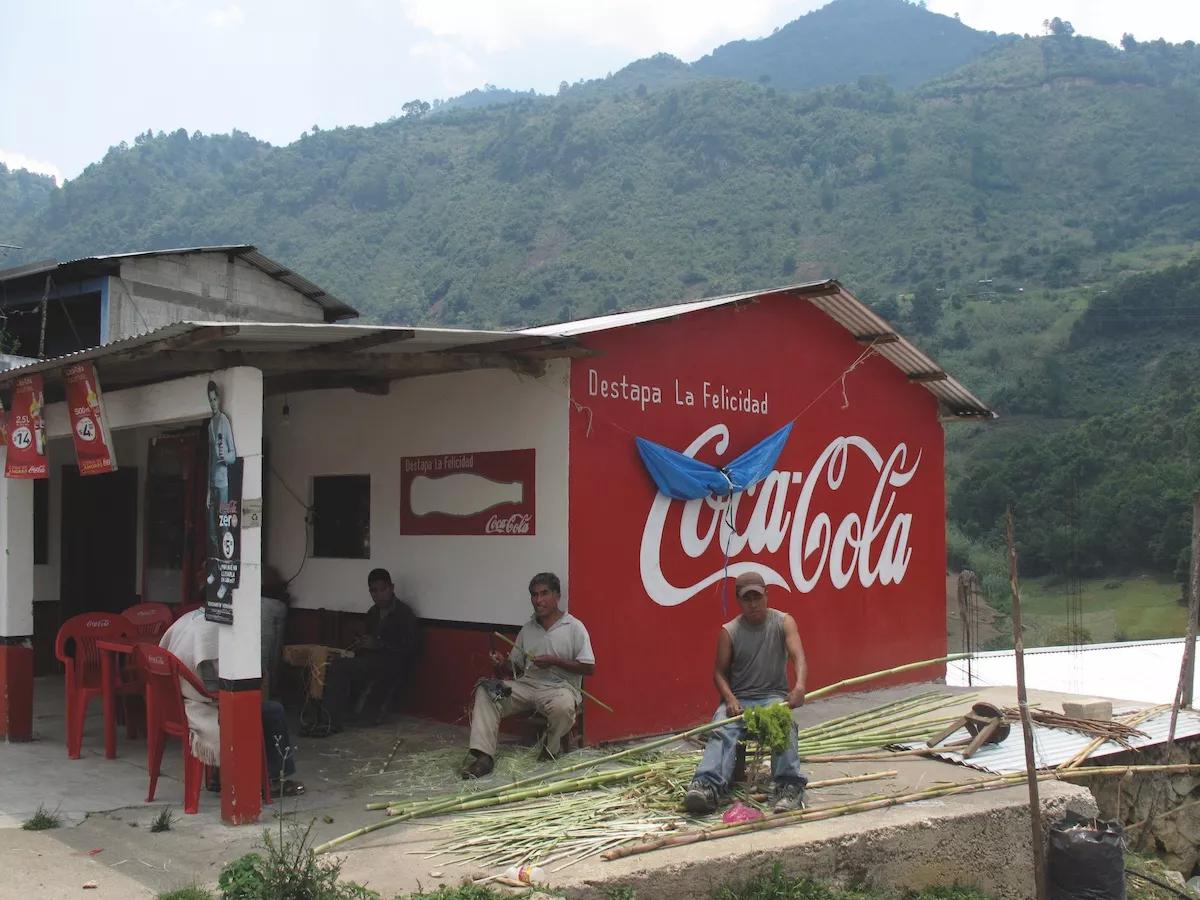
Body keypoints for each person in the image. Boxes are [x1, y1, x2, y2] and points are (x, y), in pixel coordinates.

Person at [684, 570, 807, 815]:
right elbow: (718, 673)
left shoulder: (783, 622)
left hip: (772, 697)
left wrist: (800, 686)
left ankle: (789, 786)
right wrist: (730, 699)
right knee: (721, 727)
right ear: (739, 601)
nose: (753, 604)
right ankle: (706, 786)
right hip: (740, 699)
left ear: (767, 595)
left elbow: (798, 655)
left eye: (757, 597)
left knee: (783, 725)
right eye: (747, 599)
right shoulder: (729, 631)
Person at [461, 572, 595, 779]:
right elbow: (514, 667)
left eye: (544, 594)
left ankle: (551, 748)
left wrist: (554, 660)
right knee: (486, 691)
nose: (538, 600)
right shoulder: (528, 628)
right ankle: (483, 756)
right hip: (526, 686)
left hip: (559, 689)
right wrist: (502, 662)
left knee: (564, 706)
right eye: (534, 595)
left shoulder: (574, 627)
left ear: (557, 596)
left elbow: (589, 668)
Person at [159, 606, 304, 796]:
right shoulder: (212, 633)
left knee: (249, 705)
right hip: (200, 707)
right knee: (271, 710)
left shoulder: (189, 620)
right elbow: (222, 684)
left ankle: (221, 772)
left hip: (177, 704)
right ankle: (275, 779)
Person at [322, 568, 420, 731]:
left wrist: (378, 644)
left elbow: (410, 647)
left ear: (392, 588)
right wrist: (360, 643)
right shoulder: (373, 613)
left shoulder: (404, 614)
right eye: (373, 591)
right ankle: (332, 716)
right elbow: (368, 638)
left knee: (340, 667)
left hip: (391, 665)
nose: (378, 595)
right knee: (334, 662)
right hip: (372, 661)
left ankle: (330, 720)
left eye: (383, 590)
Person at [206, 380, 237, 602]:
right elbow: (209, 458)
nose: (213, 403)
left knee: (225, 529)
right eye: (210, 400)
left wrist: (224, 457)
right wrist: (207, 489)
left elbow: (233, 454)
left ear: (220, 399)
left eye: (215, 399)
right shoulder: (210, 425)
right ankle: (216, 570)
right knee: (212, 531)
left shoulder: (224, 422)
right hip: (213, 484)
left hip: (224, 482)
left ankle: (226, 580)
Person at [260, 565, 291, 699]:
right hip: (277, 606)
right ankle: (269, 693)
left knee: (263, 655)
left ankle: (264, 696)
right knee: (273, 654)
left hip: (264, 606)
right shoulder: (268, 571)